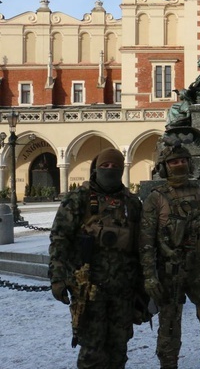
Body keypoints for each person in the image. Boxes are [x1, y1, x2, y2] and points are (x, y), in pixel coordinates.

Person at [140, 141, 200, 369]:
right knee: (169, 322)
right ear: (164, 167)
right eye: (174, 162)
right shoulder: (156, 199)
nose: (180, 165)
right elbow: (145, 241)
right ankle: (168, 363)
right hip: (170, 269)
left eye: (183, 160)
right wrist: (149, 275)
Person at [49, 148, 145, 369]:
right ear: (95, 168)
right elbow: (59, 240)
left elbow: (140, 246)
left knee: (119, 348)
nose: (110, 169)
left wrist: (143, 285)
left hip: (123, 289)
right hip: (89, 289)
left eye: (115, 166)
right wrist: (57, 278)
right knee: (92, 350)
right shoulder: (78, 199)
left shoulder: (132, 203)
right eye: (105, 166)